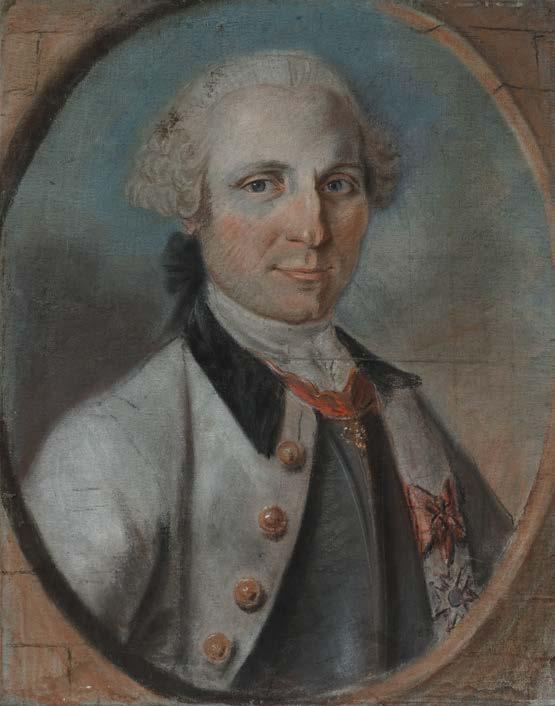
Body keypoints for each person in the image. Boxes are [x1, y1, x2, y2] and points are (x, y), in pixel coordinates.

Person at [22, 51, 513, 699]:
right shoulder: (110, 446)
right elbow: (50, 679)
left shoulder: (398, 406)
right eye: (261, 185)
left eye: (338, 185)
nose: (312, 229)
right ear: (193, 207)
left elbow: (513, 620)